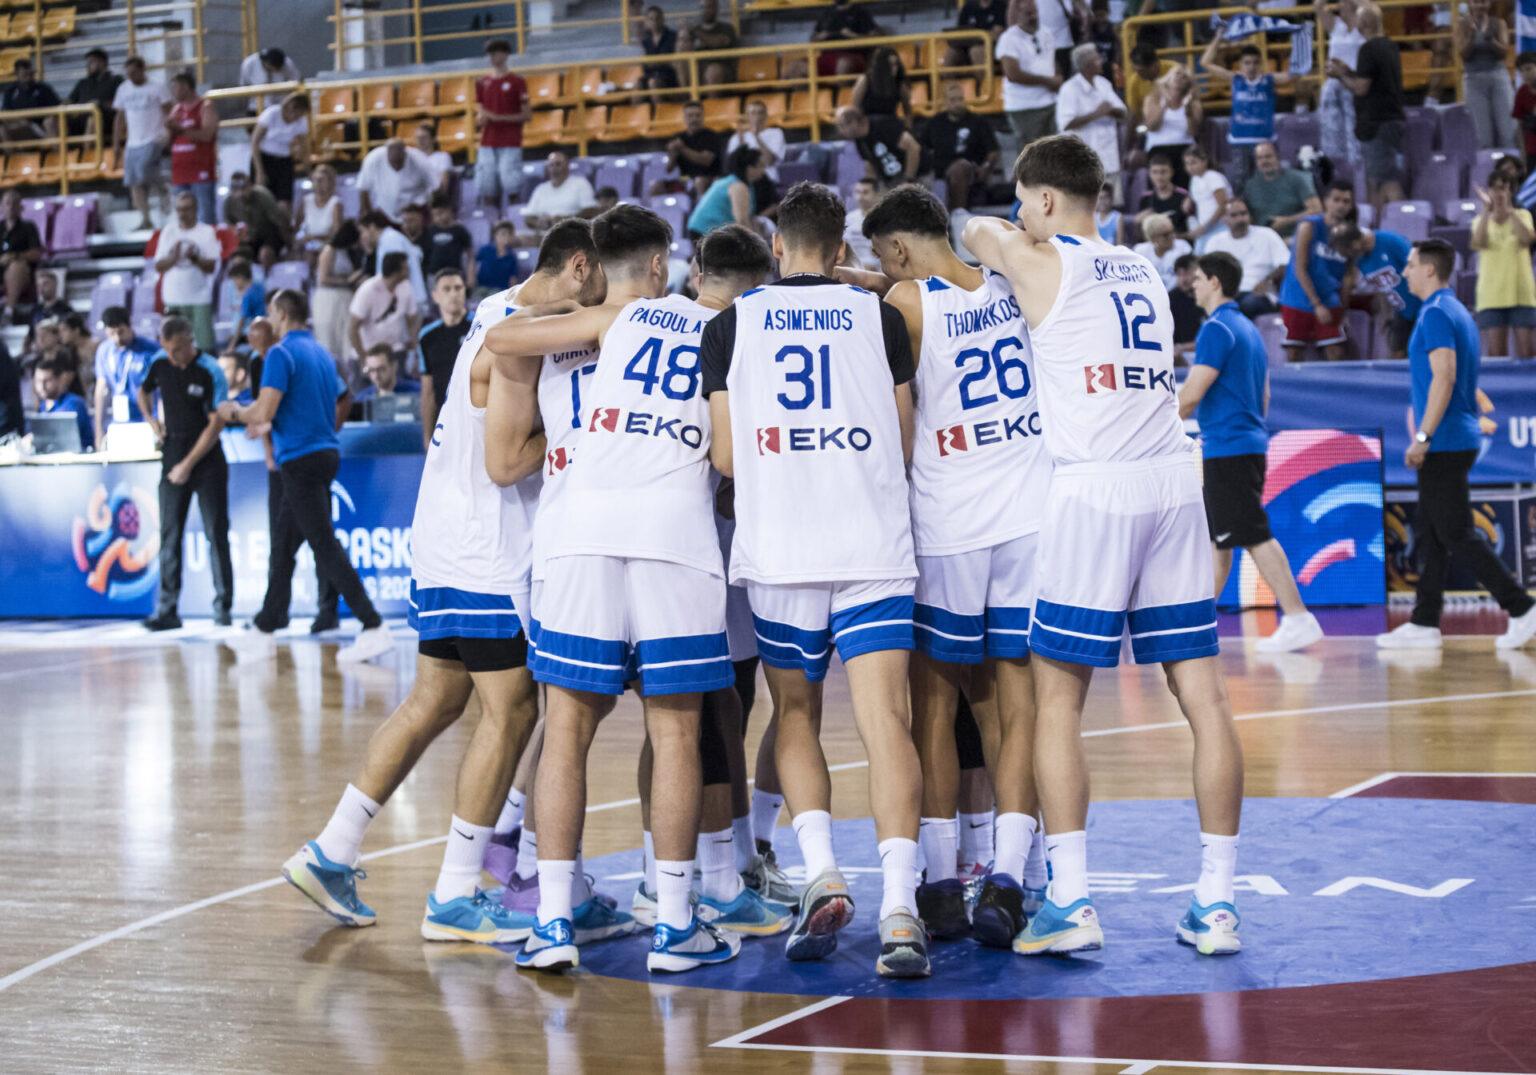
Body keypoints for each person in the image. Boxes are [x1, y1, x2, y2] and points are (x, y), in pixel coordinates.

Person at [964, 134, 1243, 960]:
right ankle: (1217, 903)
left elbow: (975, 232)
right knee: (1205, 698)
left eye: (1026, 200)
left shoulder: (1040, 258)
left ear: (1047, 201)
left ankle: (1071, 897)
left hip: (1096, 489)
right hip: (1173, 480)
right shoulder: (1143, 269)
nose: (1019, 215)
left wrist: (1009, 227)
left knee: (1057, 700)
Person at [482, 207, 755, 975]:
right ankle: (674, 923)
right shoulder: (722, 325)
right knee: (675, 733)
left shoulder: (609, 321)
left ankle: (553, 920)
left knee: (565, 729)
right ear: (664, 265)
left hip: (583, 530)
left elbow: (501, 338)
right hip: (673, 532)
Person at [279, 243, 553, 948]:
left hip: (439, 537)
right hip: (485, 548)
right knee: (513, 709)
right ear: (578, 269)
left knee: (434, 700)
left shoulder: (492, 309)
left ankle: (332, 848)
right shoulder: (521, 329)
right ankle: (458, 892)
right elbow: (507, 462)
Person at [702, 182, 930, 979]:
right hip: (870, 541)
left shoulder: (731, 326)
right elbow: (904, 439)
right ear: (840, 250)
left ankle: (824, 871)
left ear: (775, 245)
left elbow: (726, 458)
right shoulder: (879, 315)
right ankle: (900, 905)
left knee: (794, 713)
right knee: (886, 722)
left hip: (783, 546)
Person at [850, 184, 1051, 948]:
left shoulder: (905, 303)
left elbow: (890, 316)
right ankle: (1009, 877)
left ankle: (937, 884)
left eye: (882, 256)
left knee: (933, 705)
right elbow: (935, 277)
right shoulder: (1009, 283)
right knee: (1014, 706)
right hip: (1028, 514)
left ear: (898, 249)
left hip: (950, 522)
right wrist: (869, 278)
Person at [1376, 240, 1536, 651]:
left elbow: (1444, 377)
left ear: (1429, 270)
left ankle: (1522, 607)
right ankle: (1424, 621)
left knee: (1456, 533)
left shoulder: (1435, 314)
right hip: (1456, 436)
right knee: (1432, 532)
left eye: (1410, 265)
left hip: (1445, 440)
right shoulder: (1456, 310)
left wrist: (1423, 437)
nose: (1405, 272)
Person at [219, 289, 392, 660]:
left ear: (281, 314)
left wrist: (232, 411)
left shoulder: (280, 354)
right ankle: (265, 627)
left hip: (300, 460)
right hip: (324, 453)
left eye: (271, 313)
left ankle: (373, 624)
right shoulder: (321, 353)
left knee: (324, 544)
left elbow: (263, 412)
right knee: (283, 546)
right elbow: (337, 398)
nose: (270, 319)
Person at [1178, 252, 1324, 652]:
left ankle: (1298, 617)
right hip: (1243, 444)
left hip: (1230, 448)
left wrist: (1151, 430)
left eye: (1198, 278)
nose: (1192, 284)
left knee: (1253, 535)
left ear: (1215, 282)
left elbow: (1191, 395)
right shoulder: (1247, 328)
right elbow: (1264, 394)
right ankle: (1198, 626)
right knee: (1221, 540)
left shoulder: (1216, 329)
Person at [136, 316, 231, 630]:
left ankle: (223, 606)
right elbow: (142, 391)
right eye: (168, 350)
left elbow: (216, 424)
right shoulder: (160, 362)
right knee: (169, 534)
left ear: (191, 340)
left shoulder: (210, 370)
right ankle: (167, 610)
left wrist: (187, 465)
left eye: (178, 349)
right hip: (172, 450)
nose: (173, 356)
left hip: (206, 457)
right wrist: (152, 420)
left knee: (216, 532)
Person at [1328, 3, 1405, 213]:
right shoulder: (1389, 46)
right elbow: (1372, 79)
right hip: (1392, 119)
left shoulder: (1368, 49)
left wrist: (1339, 76)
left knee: (1384, 180)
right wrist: (1348, 71)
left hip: (1376, 123)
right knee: (1379, 178)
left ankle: (1398, 220)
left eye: (1358, 18)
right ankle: (1380, 221)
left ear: (1365, 22)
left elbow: (1361, 88)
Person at [1200, 41, 1299, 191]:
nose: (1251, 67)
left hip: (1265, 140)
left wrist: (1300, 45)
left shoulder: (1269, 80)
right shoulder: (1235, 79)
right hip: (1240, 140)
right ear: (1240, 65)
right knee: (1241, 185)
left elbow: (1295, 75)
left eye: (1255, 62)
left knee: (1269, 183)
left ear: (1261, 64)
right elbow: (1205, 63)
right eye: (1247, 63)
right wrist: (1218, 38)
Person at [1278, 181, 1356, 360]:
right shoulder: (1309, 226)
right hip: (1297, 297)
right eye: (1336, 200)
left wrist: (1342, 309)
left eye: (1346, 201)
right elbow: (1300, 268)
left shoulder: (1350, 234)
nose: (1341, 205)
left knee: (1336, 352)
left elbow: (1348, 275)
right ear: (1325, 201)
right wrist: (1316, 304)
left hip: (1330, 299)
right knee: (1294, 353)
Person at [1471, 172, 1536, 359]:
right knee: (1496, 355)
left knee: (1527, 353)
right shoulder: (1479, 220)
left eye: (1503, 188)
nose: (1498, 193)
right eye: (1494, 188)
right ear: (1489, 191)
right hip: (1491, 294)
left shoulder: (1523, 215)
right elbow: (1478, 242)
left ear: (1510, 191)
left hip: (1521, 292)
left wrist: (1510, 212)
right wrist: (1486, 210)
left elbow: (1527, 238)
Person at [1331, 221, 1417, 358]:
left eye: (1347, 252)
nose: (1348, 257)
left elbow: (1420, 269)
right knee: (1397, 356)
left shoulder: (1391, 242)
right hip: (1403, 312)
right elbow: (1381, 287)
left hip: (1422, 306)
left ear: (1355, 244)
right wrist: (1385, 314)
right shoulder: (1360, 259)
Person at [1054, 45, 1126, 194]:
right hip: (1082, 161)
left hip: (1109, 156)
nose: (1101, 61)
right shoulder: (1069, 89)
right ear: (1087, 65)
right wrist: (1097, 113)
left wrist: (1111, 111)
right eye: (1097, 59)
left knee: (1114, 200)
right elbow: (1066, 123)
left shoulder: (1103, 83)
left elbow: (1123, 113)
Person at [155, 189, 220, 352]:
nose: (182, 213)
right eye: (179, 209)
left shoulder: (206, 232)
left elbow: (211, 267)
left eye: (186, 209)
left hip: (199, 297)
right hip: (173, 298)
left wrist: (195, 258)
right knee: (175, 346)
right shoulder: (168, 232)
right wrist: (174, 257)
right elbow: (158, 266)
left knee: (205, 347)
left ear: (195, 209)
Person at [112, 57, 172, 232]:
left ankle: (163, 189)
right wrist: (117, 143)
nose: (131, 77)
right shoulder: (123, 89)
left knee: (145, 170)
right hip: (133, 141)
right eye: (128, 74)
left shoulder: (157, 87)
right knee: (134, 182)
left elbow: (169, 111)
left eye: (134, 73)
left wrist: (168, 134)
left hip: (153, 136)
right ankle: (145, 218)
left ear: (142, 70)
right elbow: (119, 117)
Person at [922, 81, 1001, 213]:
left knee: (959, 168)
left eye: (960, 99)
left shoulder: (978, 121)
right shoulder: (935, 123)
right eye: (953, 100)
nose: (958, 103)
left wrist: (986, 168)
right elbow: (923, 147)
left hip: (971, 169)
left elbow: (993, 151)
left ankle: (958, 213)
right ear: (945, 102)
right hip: (940, 172)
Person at [1206, 198, 1292, 318]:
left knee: (1246, 305)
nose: (1240, 219)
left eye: (1243, 213)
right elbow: (1206, 272)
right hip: (1228, 294)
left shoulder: (1267, 234)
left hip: (1259, 293)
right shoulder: (1215, 241)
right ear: (1224, 219)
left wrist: (1268, 281)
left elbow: (1285, 264)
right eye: (1234, 215)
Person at [418, 268, 472, 447]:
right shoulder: (427, 336)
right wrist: (427, 436)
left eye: (458, 288)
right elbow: (428, 391)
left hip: (476, 418)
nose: (453, 294)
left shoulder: (479, 326)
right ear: (435, 296)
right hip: (446, 422)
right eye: (447, 289)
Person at [996, 0, 1061, 148]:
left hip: (1050, 101)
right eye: (1028, 13)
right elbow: (1013, 74)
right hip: (1024, 106)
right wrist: (1047, 81)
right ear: (1017, 14)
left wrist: (1058, 76)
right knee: (1032, 153)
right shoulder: (1008, 39)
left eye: (1035, 12)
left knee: (1054, 152)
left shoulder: (1046, 33)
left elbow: (1052, 60)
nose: (1034, 17)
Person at [92, 306, 158, 446]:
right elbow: (101, 390)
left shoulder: (150, 349)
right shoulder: (104, 351)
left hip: (146, 421)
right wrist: (98, 429)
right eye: (112, 333)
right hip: (119, 421)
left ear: (129, 326)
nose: (117, 338)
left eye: (121, 332)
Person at [476, 39, 530, 208]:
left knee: (511, 181)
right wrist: (481, 118)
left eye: (495, 53)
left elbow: (527, 114)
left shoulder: (517, 81)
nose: (491, 57)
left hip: (510, 140)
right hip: (488, 140)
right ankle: (491, 218)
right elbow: (480, 110)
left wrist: (498, 118)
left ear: (505, 55)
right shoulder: (482, 82)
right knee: (486, 183)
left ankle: (514, 215)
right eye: (489, 54)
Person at [349, 251, 422, 369]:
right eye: (406, 267)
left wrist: (412, 342)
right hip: (369, 353)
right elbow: (353, 327)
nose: (409, 270)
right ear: (398, 271)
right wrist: (363, 358)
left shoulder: (406, 287)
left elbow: (412, 318)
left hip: (396, 351)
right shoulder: (368, 290)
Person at [1456, 0, 1514, 150]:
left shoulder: (1499, 23)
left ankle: (1511, 161)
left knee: (1507, 130)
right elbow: (1463, 54)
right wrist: (1471, 38)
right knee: (1482, 135)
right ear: (1470, 3)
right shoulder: (1463, 25)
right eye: (1476, 2)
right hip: (1473, 80)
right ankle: (1486, 163)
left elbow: (1504, 53)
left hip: (1498, 77)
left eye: (1483, 2)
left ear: (1489, 3)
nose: (1480, 6)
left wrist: (1491, 40)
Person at [165, 72, 219, 225]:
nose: (173, 92)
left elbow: (207, 135)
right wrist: (169, 129)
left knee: (205, 217)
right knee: (182, 220)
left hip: (201, 170)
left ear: (186, 87)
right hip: (180, 171)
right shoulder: (176, 109)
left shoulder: (205, 106)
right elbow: (169, 142)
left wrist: (181, 130)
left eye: (175, 87)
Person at [1316, 0, 1365, 168]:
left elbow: (1370, 8)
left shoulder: (1363, 27)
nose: (1339, 5)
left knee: (1355, 135)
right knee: (1331, 135)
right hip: (1333, 87)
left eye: (1343, 3)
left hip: (1353, 83)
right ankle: (1336, 171)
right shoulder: (1336, 26)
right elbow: (1318, 5)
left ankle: (1357, 172)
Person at [1241, 141, 1320, 239]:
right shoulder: (1250, 186)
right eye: (1260, 158)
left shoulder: (1297, 179)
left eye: (1268, 156)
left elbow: (1316, 210)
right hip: (1262, 240)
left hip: (1293, 239)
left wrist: (1286, 220)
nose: (1264, 161)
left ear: (1278, 157)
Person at [313, 220, 365, 362]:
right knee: (329, 338)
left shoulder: (350, 252)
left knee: (345, 338)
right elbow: (323, 278)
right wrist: (347, 281)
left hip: (345, 299)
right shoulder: (329, 250)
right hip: (329, 299)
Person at [1143, 66, 1201, 187]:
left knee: (1188, 162)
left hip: (1185, 147)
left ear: (1188, 83)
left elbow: (1193, 132)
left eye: (1184, 76)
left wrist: (1188, 111)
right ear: (1167, 78)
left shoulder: (1194, 103)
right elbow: (1152, 127)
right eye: (1177, 74)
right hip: (1158, 147)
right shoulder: (1153, 99)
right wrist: (1164, 106)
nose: (1180, 78)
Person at [688, 146, 765, 238]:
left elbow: (749, 218)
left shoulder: (746, 186)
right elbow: (742, 220)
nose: (764, 170)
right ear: (749, 168)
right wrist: (756, 243)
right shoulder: (738, 186)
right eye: (761, 165)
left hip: (711, 231)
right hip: (704, 231)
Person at [250, 93, 310, 208]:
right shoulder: (271, 114)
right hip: (264, 159)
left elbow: (304, 148)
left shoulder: (301, 121)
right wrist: (259, 171)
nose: (297, 118)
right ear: (290, 108)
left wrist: (308, 170)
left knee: (284, 202)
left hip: (284, 161)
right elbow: (255, 142)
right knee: (262, 200)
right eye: (297, 113)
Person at [837, 105, 921, 188]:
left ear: (853, 122)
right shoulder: (859, 140)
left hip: (918, 175)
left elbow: (913, 147)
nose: (840, 131)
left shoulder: (882, 125)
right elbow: (869, 164)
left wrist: (909, 179)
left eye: (842, 126)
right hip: (893, 181)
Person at [358, 209, 427, 307]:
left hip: (407, 303)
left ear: (372, 227)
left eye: (362, 231)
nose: (362, 237)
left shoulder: (390, 240)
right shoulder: (387, 240)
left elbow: (401, 271)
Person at [223, 172, 290, 269]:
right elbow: (229, 226)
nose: (240, 193)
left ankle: (268, 275)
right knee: (237, 259)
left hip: (267, 236)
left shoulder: (263, 196)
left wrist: (289, 244)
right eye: (236, 189)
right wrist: (239, 235)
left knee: (265, 254)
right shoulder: (228, 203)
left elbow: (279, 222)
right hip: (246, 239)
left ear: (251, 185)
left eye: (244, 188)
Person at [357, 139, 437, 220]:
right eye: (393, 163)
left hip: (416, 209)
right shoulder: (373, 159)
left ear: (405, 154)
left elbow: (435, 186)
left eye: (399, 162)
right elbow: (363, 188)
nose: (396, 167)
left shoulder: (419, 159)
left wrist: (433, 213)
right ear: (386, 154)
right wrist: (368, 213)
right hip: (385, 210)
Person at [663, 102, 725, 199]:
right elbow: (668, 169)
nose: (694, 119)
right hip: (684, 180)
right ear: (684, 118)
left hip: (709, 179)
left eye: (698, 115)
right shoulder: (677, 137)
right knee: (656, 186)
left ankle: (703, 208)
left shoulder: (712, 136)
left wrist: (682, 148)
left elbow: (706, 161)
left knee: (700, 181)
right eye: (690, 116)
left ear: (703, 117)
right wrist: (673, 153)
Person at [810, 0, 885, 78]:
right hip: (827, 56)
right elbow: (812, 39)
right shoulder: (826, 13)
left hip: (853, 55)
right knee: (802, 66)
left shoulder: (860, 12)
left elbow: (875, 36)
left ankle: (841, 86)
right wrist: (820, 36)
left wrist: (854, 36)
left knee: (843, 64)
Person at [0, 189, 43, 325]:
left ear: (21, 207)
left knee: (16, 267)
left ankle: (9, 311)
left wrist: (14, 256)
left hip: (22, 272)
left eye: (14, 203)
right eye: (7, 203)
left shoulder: (28, 227)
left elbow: (36, 253)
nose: (11, 207)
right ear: (2, 206)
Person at [32, 356, 93, 450]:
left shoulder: (73, 404)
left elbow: (62, 437)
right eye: (38, 381)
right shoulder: (42, 406)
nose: (42, 386)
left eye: (47, 381)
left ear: (59, 379)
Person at [524, 151, 598, 229]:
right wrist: (538, 222)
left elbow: (590, 210)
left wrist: (564, 220)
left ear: (567, 166)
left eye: (558, 164)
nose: (554, 168)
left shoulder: (581, 183)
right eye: (551, 165)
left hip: (572, 230)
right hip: (545, 232)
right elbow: (528, 217)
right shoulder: (540, 189)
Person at [422, 191, 475, 288]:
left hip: (454, 274)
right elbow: (426, 256)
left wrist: (470, 276)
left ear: (449, 210)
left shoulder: (460, 230)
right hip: (433, 275)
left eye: (440, 213)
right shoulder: (430, 231)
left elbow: (470, 256)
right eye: (435, 215)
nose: (438, 218)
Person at [1136, 151, 1195, 238]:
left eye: (1163, 172)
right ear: (1149, 174)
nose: (1159, 177)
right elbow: (1141, 233)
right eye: (1155, 172)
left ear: (1171, 172)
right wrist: (1137, 222)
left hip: (1179, 242)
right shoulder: (1145, 198)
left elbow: (1193, 229)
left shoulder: (1184, 196)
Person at [726, 99, 786, 184]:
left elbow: (768, 161)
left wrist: (756, 136)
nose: (757, 117)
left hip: (768, 179)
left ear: (766, 115)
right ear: (747, 116)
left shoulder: (776, 133)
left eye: (760, 113)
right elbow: (733, 165)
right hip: (743, 181)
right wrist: (742, 142)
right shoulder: (737, 137)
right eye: (753, 113)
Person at [1184, 146, 1232, 251]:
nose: (1190, 167)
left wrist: (1206, 226)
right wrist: (1188, 200)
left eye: (1193, 163)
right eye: (1187, 164)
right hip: (1205, 229)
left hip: (1219, 227)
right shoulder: (1194, 179)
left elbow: (1223, 205)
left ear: (1204, 161)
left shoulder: (1213, 177)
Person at [0, 59, 60, 143]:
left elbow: (57, 108)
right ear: (17, 74)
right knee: (2, 129)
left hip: (40, 127)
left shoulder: (44, 89)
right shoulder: (10, 92)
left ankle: (54, 150)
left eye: (30, 73)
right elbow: (6, 113)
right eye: (25, 74)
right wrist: (21, 121)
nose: (28, 76)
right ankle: (10, 152)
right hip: (19, 127)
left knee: (49, 122)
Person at [684, 0, 740, 86]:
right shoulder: (694, 30)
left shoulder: (727, 28)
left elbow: (717, 42)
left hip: (722, 69)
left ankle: (711, 96)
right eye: (702, 7)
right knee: (681, 55)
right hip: (699, 68)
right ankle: (684, 93)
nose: (705, 10)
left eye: (709, 7)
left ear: (716, 8)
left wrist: (696, 32)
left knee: (713, 71)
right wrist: (684, 33)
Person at [69, 48, 120, 138]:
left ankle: (86, 147)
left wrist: (100, 104)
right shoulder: (83, 83)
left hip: (105, 120)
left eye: (91, 62)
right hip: (81, 120)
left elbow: (119, 104)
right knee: (51, 121)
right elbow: (70, 100)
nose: (88, 65)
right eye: (87, 63)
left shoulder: (115, 80)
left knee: (92, 120)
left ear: (102, 62)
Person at [852, 46, 912, 123]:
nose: (894, 68)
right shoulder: (865, 80)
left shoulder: (899, 83)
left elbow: (907, 110)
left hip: (889, 123)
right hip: (867, 123)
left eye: (896, 64)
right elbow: (856, 107)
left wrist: (908, 127)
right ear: (881, 65)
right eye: (890, 64)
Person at [1133, 212, 1191, 290]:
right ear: (1153, 238)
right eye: (1165, 235)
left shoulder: (1183, 247)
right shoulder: (1141, 251)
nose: (1172, 236)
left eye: (1172, 232)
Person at [295, 162, 343, 255]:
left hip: (329, 249)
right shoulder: (306, 201)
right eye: (316, 180)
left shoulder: (336, 203)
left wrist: (314, 238)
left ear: (330, 183)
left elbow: (337, 235)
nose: (318, 184)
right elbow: (296, 228)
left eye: (321, 180)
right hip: (309, 248)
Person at [948, 0, 1010, 68]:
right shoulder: (968, 6)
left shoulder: (1000, 6)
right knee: (951, 53)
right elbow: (960, 30)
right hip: (967, 45)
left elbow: (997, 33)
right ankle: (947, 74)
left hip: (992, 46)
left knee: (976, 51)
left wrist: (981, 37)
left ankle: (983, 75)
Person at [1124, 42, 1175, 123]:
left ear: (1155, 64)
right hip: (1150, 122)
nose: (1138, 74)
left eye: (1141, 71)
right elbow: (1134, 112)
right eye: (1136, 70)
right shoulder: (1134, 81)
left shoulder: (1175, 71)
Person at [238, 47, 300, 113]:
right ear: (266, 62)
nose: (276, 70)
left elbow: (297, 82)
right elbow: (244, 85)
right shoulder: (249, 63)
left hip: (281, 105)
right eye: (274, 67)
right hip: (256, 106)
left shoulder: (287, 63)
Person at [355, 343, 422, 403]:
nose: (376, 375)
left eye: (381, 369)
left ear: (394, 366)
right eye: (372, 370)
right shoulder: (361, 399)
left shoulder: (417, 392)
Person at [638, 5, 682, 93]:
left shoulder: (673, 37)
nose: (655, 21)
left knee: (653, 83)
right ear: (647, 21)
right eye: (651, 19)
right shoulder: (645, 41)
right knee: (637, 84)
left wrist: (657, 63)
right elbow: (645, 64)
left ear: (662, 19)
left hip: (669, 77)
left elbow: (676, 61)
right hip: (650, 75)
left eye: (657, 18)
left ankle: (659, 103)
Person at [1168, 252, 1204, 348]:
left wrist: (1184, 347)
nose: (1183, 279)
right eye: (1179, 274)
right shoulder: (1171, 299)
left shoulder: (1209, 296)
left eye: (1187, 273)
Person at [227, 257, 265, 345]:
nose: (234, 284)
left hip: (253, 333)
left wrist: (232, 345)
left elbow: (242, 321)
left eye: (234, 280)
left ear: (240, 277)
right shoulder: (260, 286)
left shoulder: (247, 295)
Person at [476, 220, 520, 294]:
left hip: (500, 290)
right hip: (482, 287)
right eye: (503, 234)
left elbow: (513, 278)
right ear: (495, 235)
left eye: (508, 235)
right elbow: (474, 266)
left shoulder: (511, 256)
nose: (505, 237)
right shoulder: (484, 250)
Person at [843, 177, 879, 267]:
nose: (860, 197)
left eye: (865, 192)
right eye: (857, 192)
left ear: (876, 194)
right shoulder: (849, 219)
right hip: (853, 268)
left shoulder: (885, 220)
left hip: (879, 270)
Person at [1515, 52, 1536, 169]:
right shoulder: (1521, 93)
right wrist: (1523, 156)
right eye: (1521, 71)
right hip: (1532, 152)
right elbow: (1520, 127)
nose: (1525, 74)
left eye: (1529, 69)